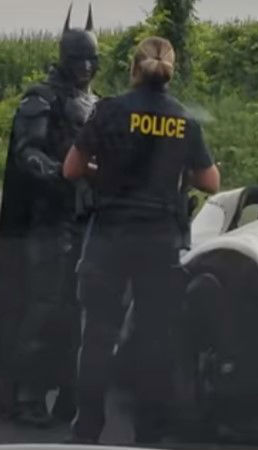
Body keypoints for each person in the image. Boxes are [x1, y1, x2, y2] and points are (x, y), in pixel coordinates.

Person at [62, 36, 220, 444]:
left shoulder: (109, 111)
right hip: (159, 242)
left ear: (134, 69)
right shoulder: (183, 119)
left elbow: (71, 169)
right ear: (170, 73)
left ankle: (87, 429)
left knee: (97, 337)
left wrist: (100, 170)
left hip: (109, 236)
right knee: (155, 341)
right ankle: (148, 434)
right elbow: (210, 181)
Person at [0, 5, 100, 427]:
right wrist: (64, 175)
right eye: (79, 59)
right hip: (46, 220)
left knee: (74, 309)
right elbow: (27, 153)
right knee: (42, 305)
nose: (86, 67)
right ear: (65, 58)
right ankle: (26, 393)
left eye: (92, 59)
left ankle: (64, 391)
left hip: (83, 219)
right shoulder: (41, 98)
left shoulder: (98, 102)